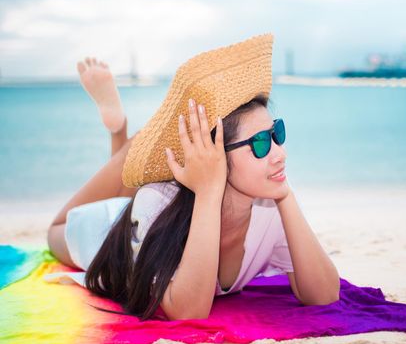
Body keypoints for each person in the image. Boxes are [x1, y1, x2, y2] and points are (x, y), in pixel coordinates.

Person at [45, 34, 340, 322]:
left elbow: (325, 295)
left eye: (277, 134)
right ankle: (119, 131)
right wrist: (209, 193)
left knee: (134, 194)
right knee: (55, 230)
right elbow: (188, 312)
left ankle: (123, 140)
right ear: (215, 156)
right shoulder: (157, 200)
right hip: (109, 232)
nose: (280, 153)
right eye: (261, 143)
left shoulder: (270, 206)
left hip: (146, 214)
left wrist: (286, 195)